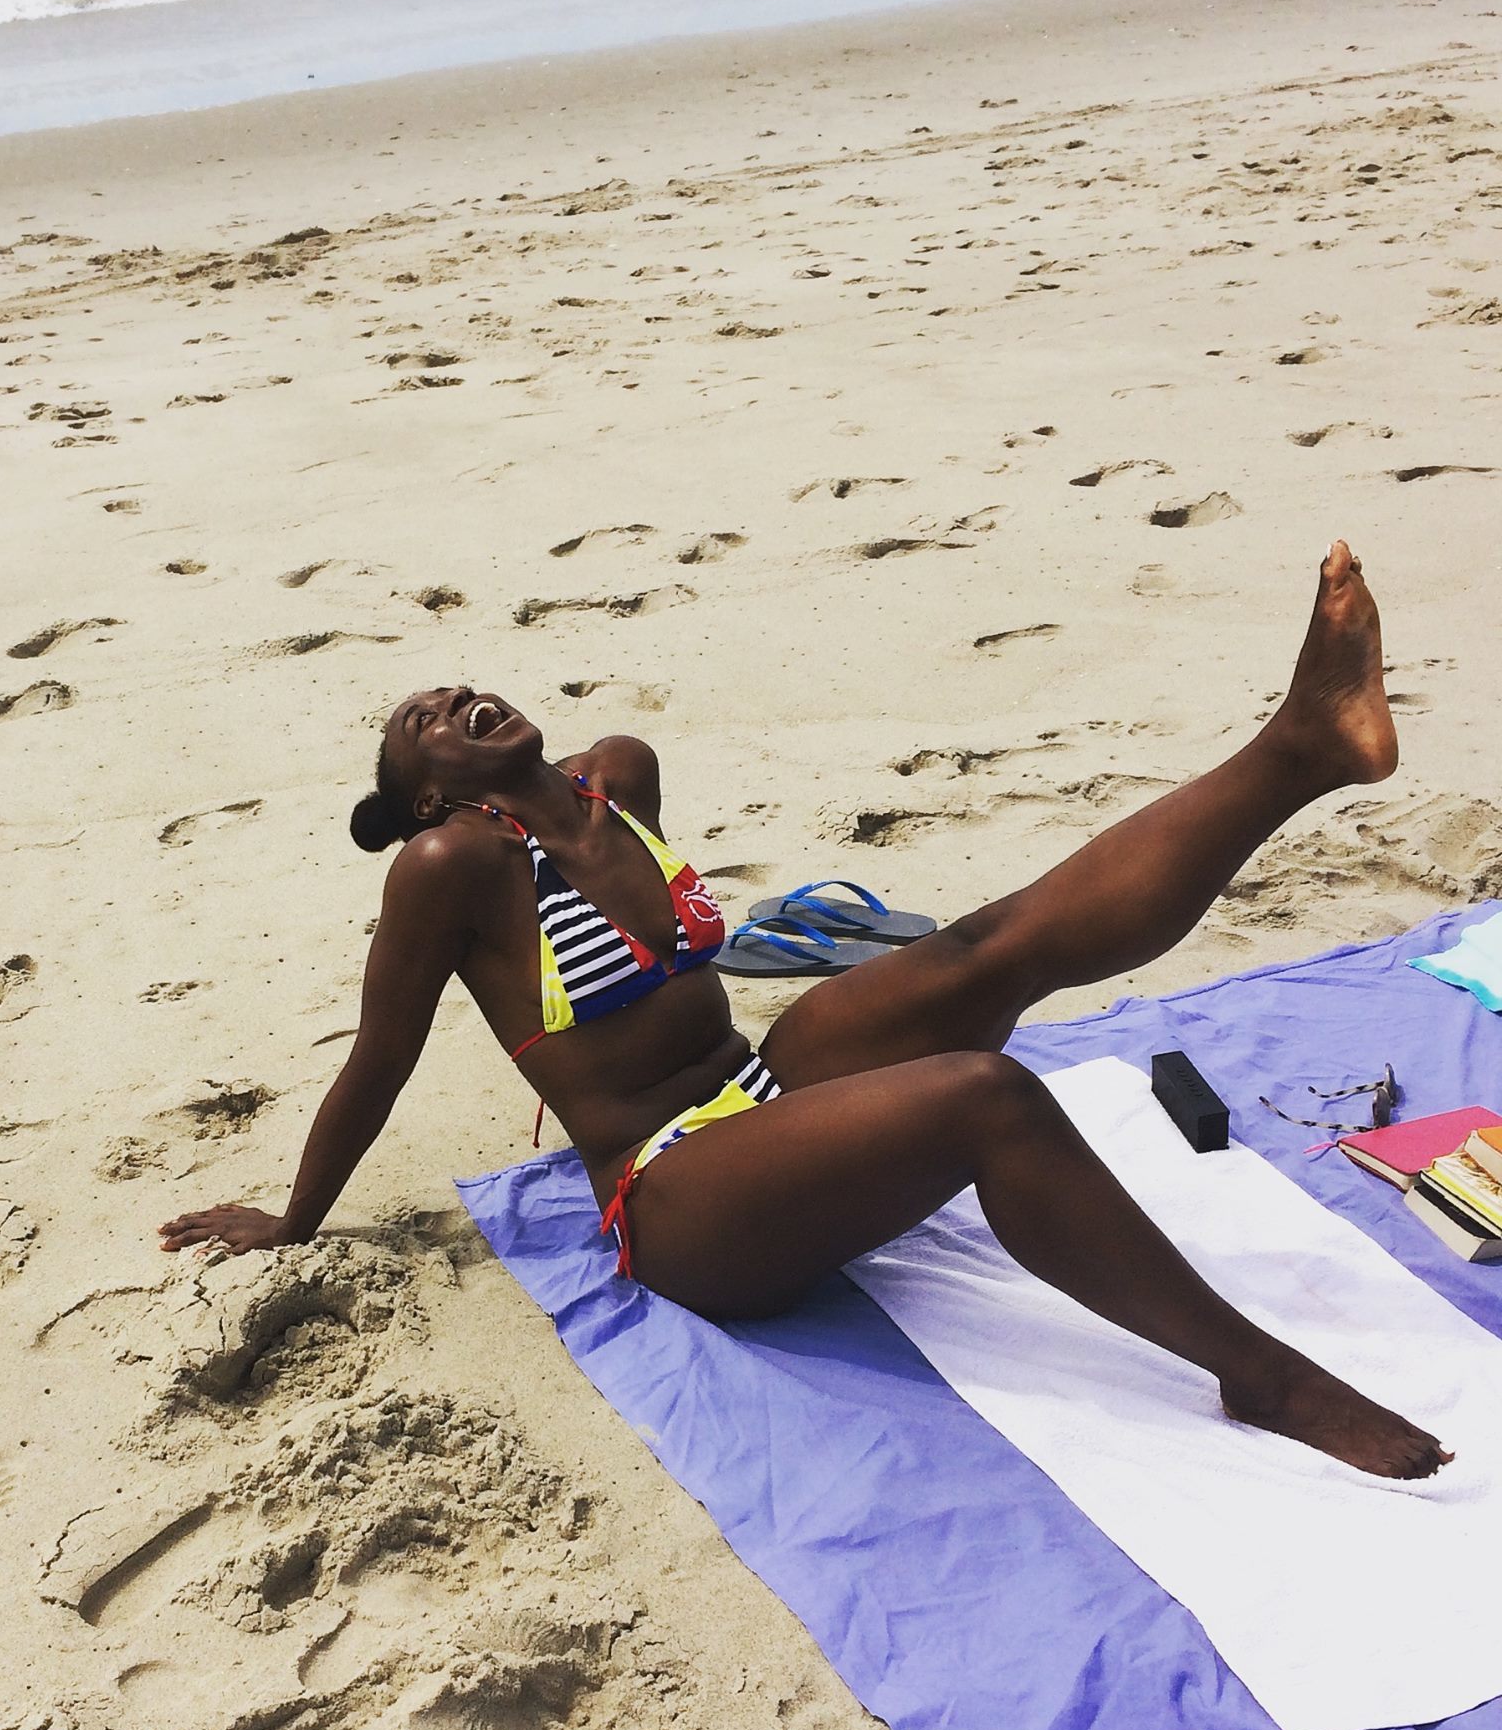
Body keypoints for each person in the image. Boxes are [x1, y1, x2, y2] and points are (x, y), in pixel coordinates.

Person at [161, 543, 1452, 1480]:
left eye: (453, 689)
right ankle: (1261, 1375)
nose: (452, 702)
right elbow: (381, 1057)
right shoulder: (449, 867)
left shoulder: (617, 778)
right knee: (986, 1098)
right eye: (423, 725)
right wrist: (295, 1218)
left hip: (766, 1093)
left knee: (984, 948)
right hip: (677, 1198)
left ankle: (1301, 747)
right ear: (429, 798)